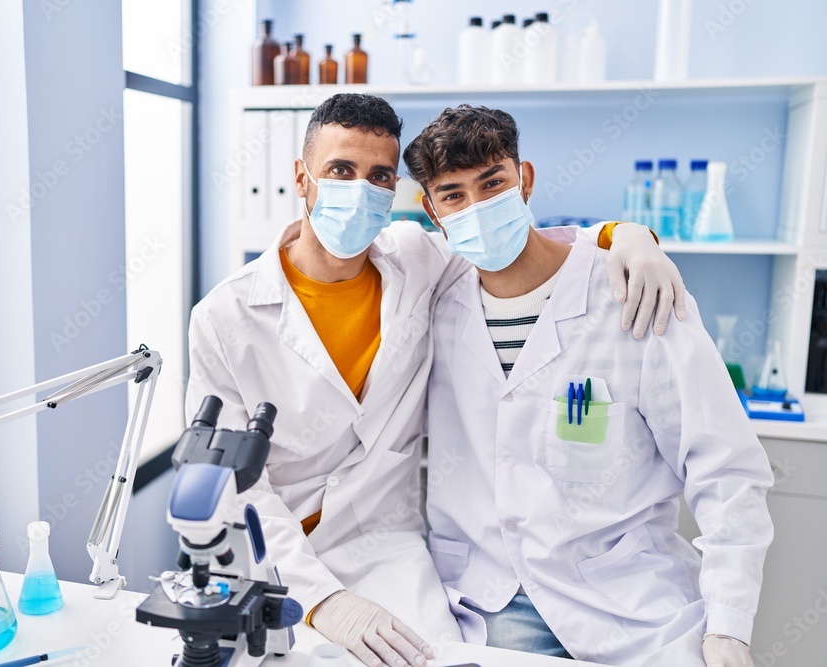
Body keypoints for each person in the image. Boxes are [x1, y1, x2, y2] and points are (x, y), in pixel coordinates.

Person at [186, 93, 687, 667]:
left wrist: (623, 234)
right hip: (267, 558)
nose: (360, 190)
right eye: (340, 171)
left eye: (379, 176)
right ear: (302, 178)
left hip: (384, 550)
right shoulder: (225, 317)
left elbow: (522, 241)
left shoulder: (418, 260)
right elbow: (230, 482)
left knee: (437, 661)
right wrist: (322, 600)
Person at [405, 104, 774, 667]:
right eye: (453, 195)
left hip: (628, 600)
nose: (476, 208)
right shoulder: (434, 295)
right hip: (488, 599)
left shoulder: (631, 288)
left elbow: (724, 468)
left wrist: (728, 624)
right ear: (432, 210)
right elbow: (349, 256)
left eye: (493, 183)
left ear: (524, 180)